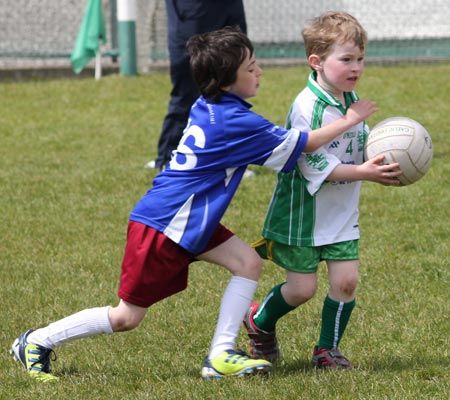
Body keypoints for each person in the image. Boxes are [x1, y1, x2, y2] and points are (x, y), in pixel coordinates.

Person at [10, 26, 378, 383]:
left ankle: (220, 355)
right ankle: (37, 341)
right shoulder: (236, 122)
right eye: (250, 68)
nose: (259, 71)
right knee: (126, 317)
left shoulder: (210, 104)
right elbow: (308, 144)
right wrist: (350, 119)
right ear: (226, 80)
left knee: (247, 263)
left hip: (192, 218)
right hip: (166, 224)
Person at [243, 11, 403, 369]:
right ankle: (259, 320)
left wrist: (388, 156)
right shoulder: (307, 107)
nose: (356, 67)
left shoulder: (350, 98)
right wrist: (363, 172)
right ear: (316, 62)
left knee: (346, 283)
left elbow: (360, 141)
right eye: (346, 59)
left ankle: (326, 351)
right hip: (303, 214)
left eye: (360, 59)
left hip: (341, 213)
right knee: (302, 289)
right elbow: (310, 161)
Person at [145, 0, 247, 170]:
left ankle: (232, 161)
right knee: (188, 86)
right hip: (193, 10)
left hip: (228, 7)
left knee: (235, 79)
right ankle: (171, 157)